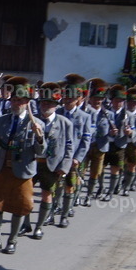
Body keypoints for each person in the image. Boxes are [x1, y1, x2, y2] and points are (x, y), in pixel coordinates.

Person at [0, 77, 47, 255]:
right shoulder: (1, 121)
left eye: (21, 100)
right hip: (0, 169)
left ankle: (12, 240)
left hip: (22, 172)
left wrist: (39, 137)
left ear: (27, 103)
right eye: (14, 100)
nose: (17, 103)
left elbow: (41, 151)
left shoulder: (36, 123)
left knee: (18, 206)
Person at [26, 83, 74, 240]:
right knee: (26, 194)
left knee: (47, 195)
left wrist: (65, 166)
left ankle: (38, 227)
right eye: (43, 103)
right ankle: (25, 223)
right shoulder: (32, 120)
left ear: (56, 105)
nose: (45, 106)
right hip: (32, 163)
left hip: (52, 165)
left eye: (49, 103)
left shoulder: (64, 123)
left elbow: (69, 146)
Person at [55, 77, 91, 227]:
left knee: (69, 185)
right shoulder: (56, 113)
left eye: (73, 98)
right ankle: (53, 210)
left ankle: (65, 214)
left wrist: (78, 158)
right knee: (55, 185)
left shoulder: (84, 117)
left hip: (72, 158)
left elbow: (85, 140)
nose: (69, 100)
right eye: (67, 97)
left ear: (78, 99)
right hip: (56, 156)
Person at [101, 85, 134, 201]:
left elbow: (132, 131)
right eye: (116, 100)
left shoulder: (128, 114)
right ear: (112, 100)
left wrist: (129, 131)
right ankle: (101, 188)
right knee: (101, 168)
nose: (118, 103)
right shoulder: (106, 112)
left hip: (119, 144)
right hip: (106, 143)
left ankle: (110, 191)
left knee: (115, 169)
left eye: (121, 101)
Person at [81, 78, 110, 206]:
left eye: (100, 99)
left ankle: (88, 195)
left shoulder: (108, 114)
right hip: (86, 147)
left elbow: (109, 131)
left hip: (100, 147)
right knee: (81, 172)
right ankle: (76, 196)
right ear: (90, 99)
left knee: (95, 173)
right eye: (95, 99)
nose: (97, 101)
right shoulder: (85, 112)